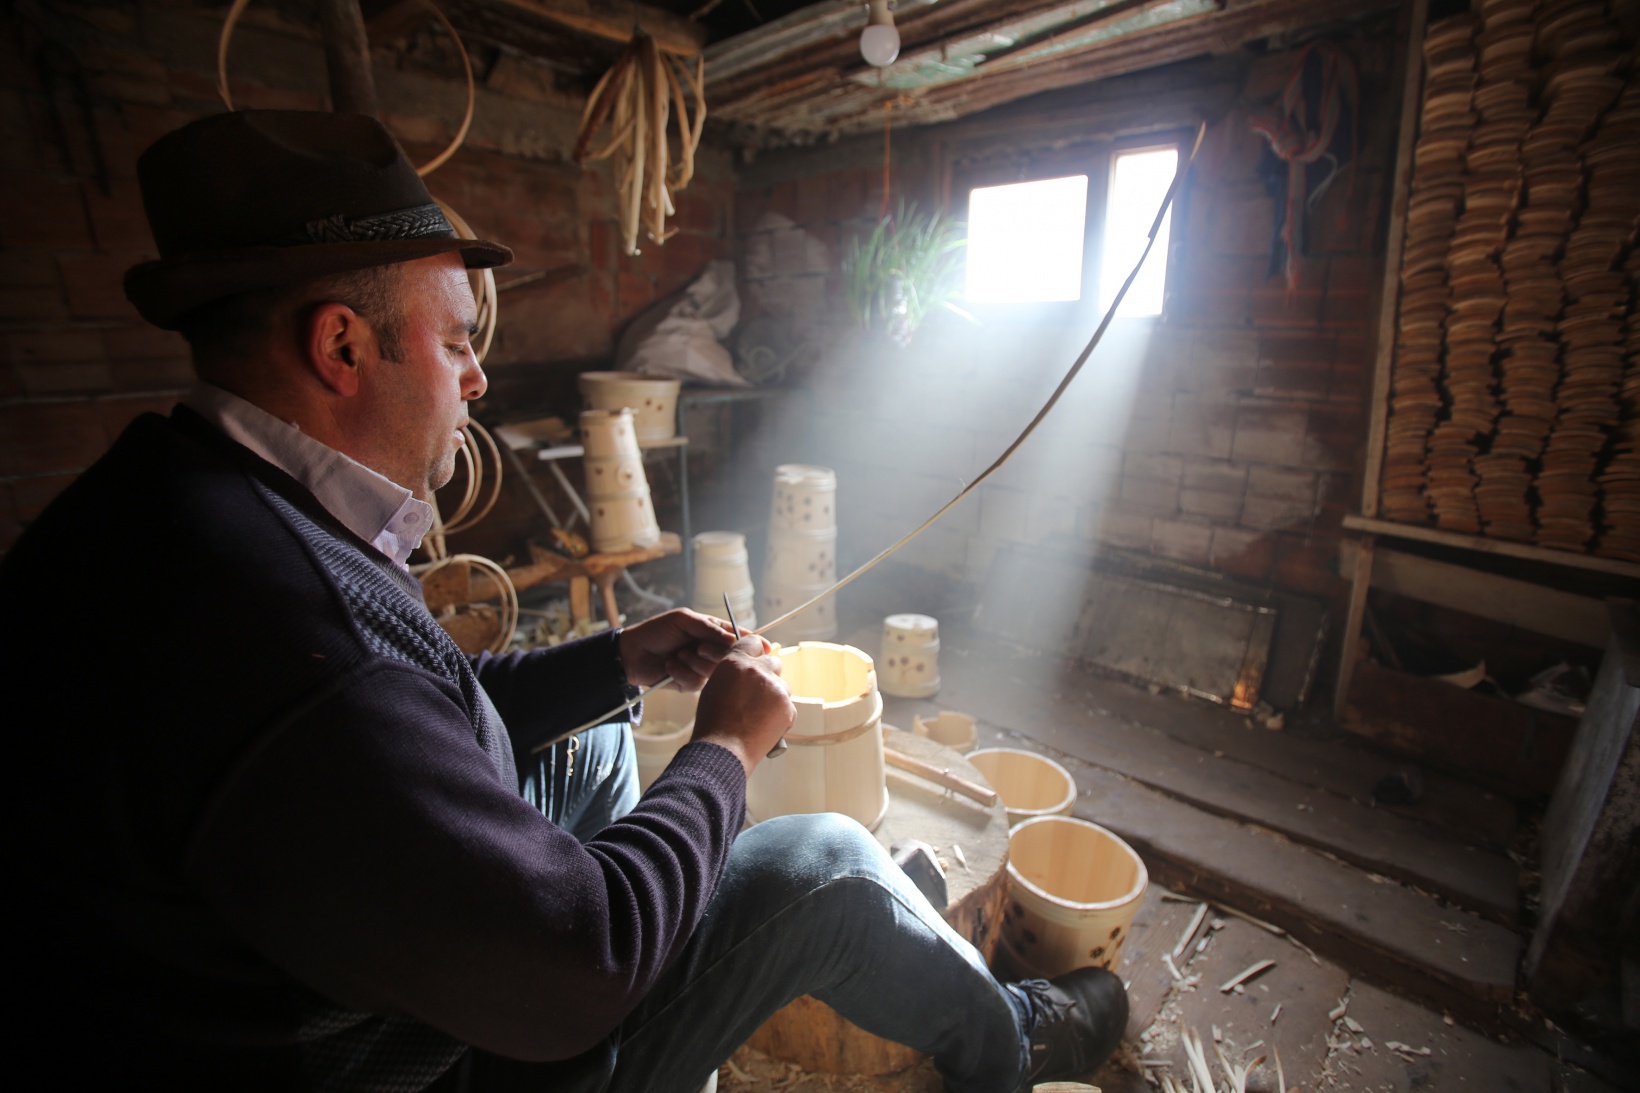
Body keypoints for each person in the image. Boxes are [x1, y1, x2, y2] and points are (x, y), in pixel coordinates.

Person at [0, 110, 1126, 1091]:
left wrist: (617, 659)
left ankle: (886, 924)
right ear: (341, 345)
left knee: (592, 746)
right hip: (427, 1062)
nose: (478, 379)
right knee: (821, 865)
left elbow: (417, 708)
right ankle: (1010, 1045)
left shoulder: (182, 497)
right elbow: (580, 965)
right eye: (455, 343)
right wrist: (727, 749)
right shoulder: (275, 630)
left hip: (292, 953)